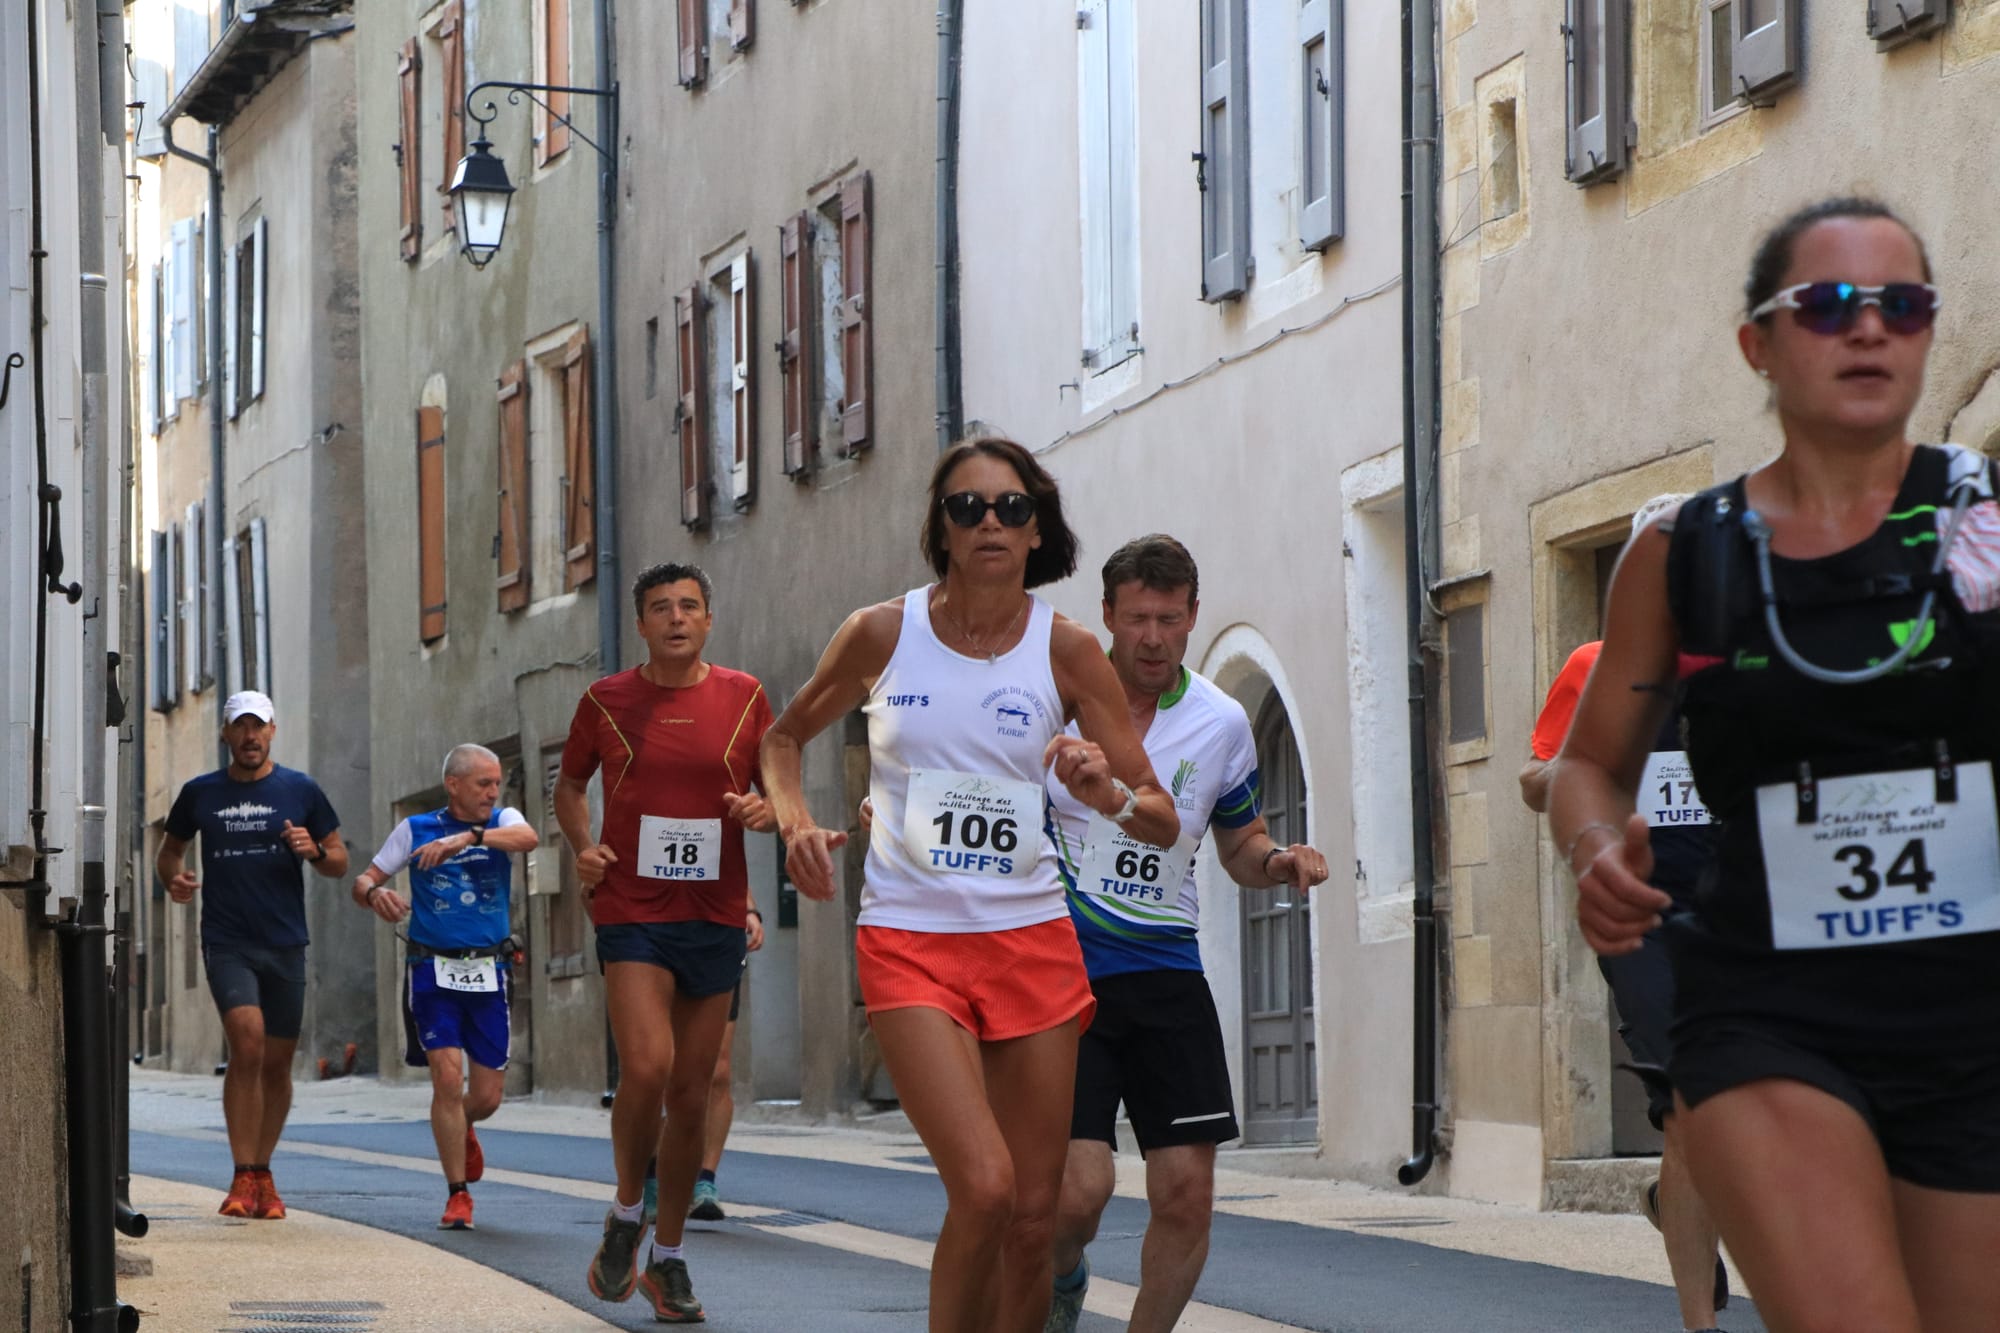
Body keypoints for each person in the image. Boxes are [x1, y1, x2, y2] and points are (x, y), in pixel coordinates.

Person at [1551, 197, 2000, 1333]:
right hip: (1766, 1004)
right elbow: (1587, 764)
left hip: (1973, 1012)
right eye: (1829, 305)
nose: (1868, 331)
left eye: (1900, 306)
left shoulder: (1981, 526)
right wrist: (1597, 845)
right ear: (1758, 342)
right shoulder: (1682, 551)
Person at [762, 437, 1180, 1333]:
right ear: (941, 529)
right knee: (985, 1188)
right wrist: (797, 824)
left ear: (1037, 530)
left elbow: (1158, 810)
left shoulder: (1067, 651)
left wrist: (1103, 790)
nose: (990, 522)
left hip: (1031, 943)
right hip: (910, 941)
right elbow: (782, 738)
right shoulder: (882, 632)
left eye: (1011, 507)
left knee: (1035, 1220)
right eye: (968, 507)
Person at [1039, 534, 1330, 1333]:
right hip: (1064, 976)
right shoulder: (1051, 703)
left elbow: (1238, 843)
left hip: (1168, 973)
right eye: (1137, 618)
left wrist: (1279, 861)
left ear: (1193, 614)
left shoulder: (1222, 721)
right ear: (1108, 615)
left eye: (1171, 618)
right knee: (1080, 1189)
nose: (1154, 637)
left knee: (1186, 1195)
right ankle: (1062, 1276)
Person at [558, 562, 776, 1323]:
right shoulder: (607, 699)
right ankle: (626, 1211)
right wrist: (583, 846)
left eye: (689, 605)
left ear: (709, 620)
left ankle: (670, 1258)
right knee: (646, 1067)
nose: (677, 617)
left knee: (692, 1092)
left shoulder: (746, 696)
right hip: (631, 908)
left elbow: (775, 783)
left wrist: (765, 809)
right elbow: (568, 784)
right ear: (642, 625)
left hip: (713, 912)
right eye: (661, 607)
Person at [1522, 604, 1729, 1329]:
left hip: (1745, 915)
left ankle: (1672, 1202)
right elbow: (1534, 776)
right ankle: (1700, 1321)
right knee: (1689, 1106)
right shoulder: (1595, 665)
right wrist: (1595, 772)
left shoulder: (1749, 659)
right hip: (1643, 920)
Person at [156, 690, 348, 1220]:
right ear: (226, 735)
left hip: (286, 941)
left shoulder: (300, 790)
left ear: (272, 732)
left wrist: (315, 852)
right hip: (227, 939)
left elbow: (339, 860)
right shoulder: (201, 793)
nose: (249, 737)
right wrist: (174, 879)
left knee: (279, 1063)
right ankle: (242, 1174)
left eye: (258, 727)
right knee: (248, 1042)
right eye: (240, 727)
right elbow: (169, 851)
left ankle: (263, 1171)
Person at [350, 743, 539, 1231]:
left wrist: (471, 838)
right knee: (447, 1080)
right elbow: (363, 879)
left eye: (496, 783)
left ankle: (464, 1127)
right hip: (431, 970)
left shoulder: (502, 819)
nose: (492, 791)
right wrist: (377, 894)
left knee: (488, 1097)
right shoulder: (415, 829)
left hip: (488, 972)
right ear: (453, 784)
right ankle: (458, 1195)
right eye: (483, 783)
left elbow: (529, 838)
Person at [643, 899, 763, 1227]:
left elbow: (728, 858)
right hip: (655, 937)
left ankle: (704, 1180)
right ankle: (652, 1175)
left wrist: (749, 910)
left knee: (717, 1072)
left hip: (716, 936)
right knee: (661, 1066)